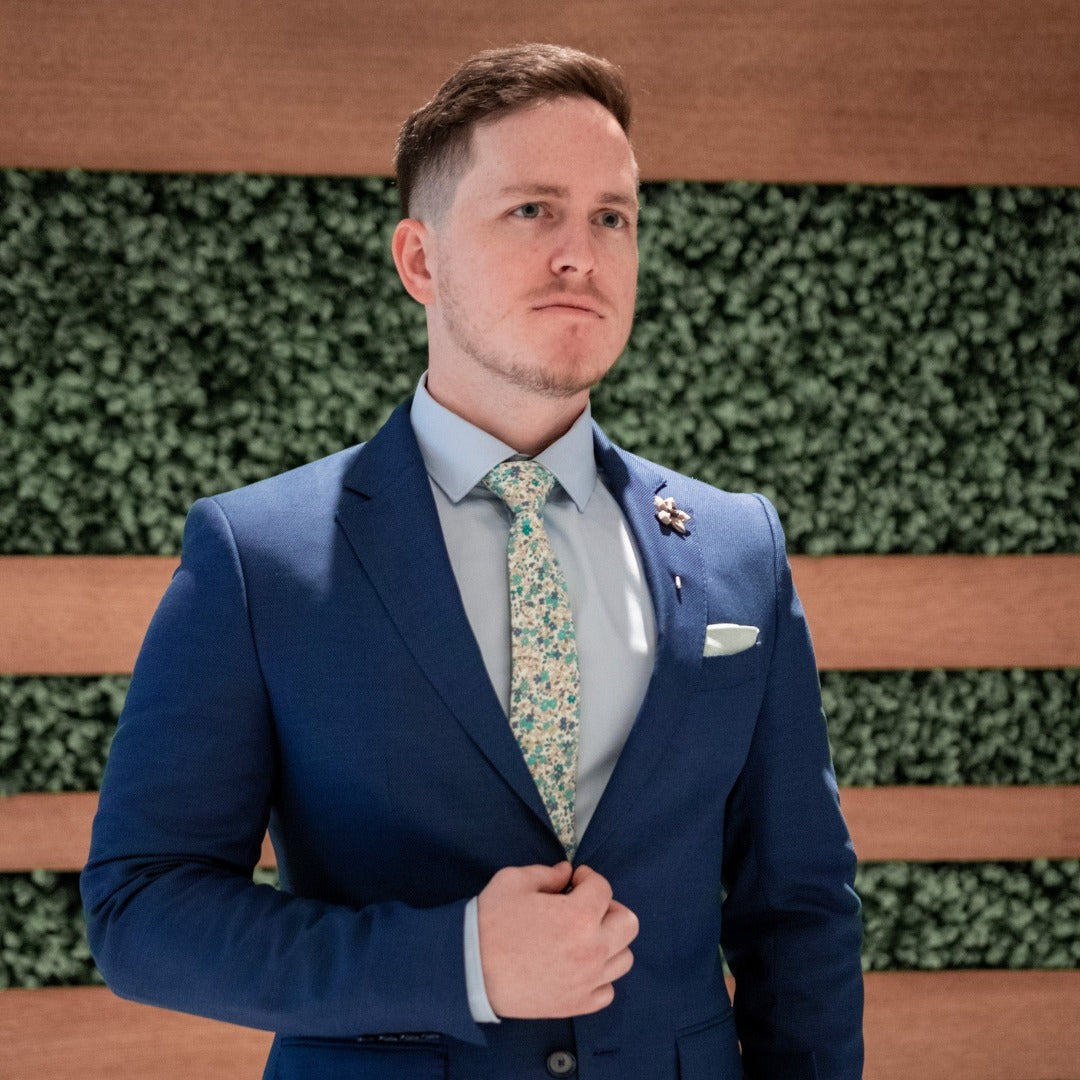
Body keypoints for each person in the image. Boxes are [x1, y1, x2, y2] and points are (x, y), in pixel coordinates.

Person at [82, 42, 863, 1080]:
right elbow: (143, 911)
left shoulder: (737, 548)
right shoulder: (256, 558)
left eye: (612, 216)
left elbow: (799, 908)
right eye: (533, 209)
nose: (580, 252)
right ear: (420, 261)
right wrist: (458, 963)